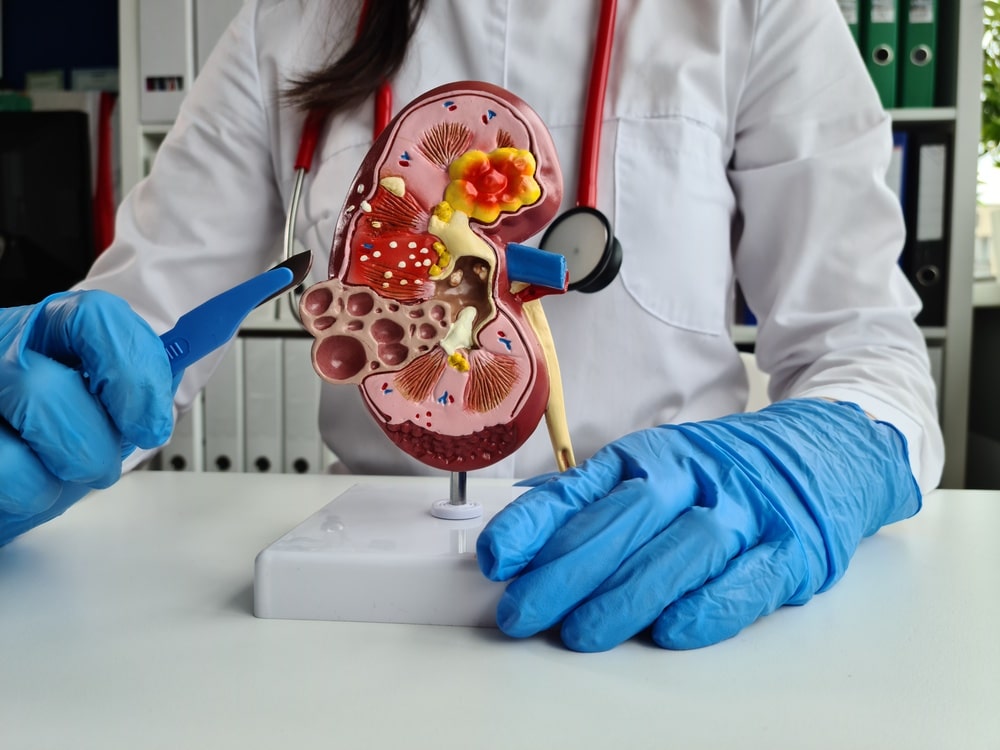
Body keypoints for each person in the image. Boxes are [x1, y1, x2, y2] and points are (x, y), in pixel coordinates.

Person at [0, 0, 941, 652]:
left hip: (668, 561)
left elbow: (864, 345)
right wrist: (53, 394)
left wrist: (821, 454)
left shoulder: (759, 11)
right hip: (360, 622)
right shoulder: (289, 21)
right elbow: (142, 329)